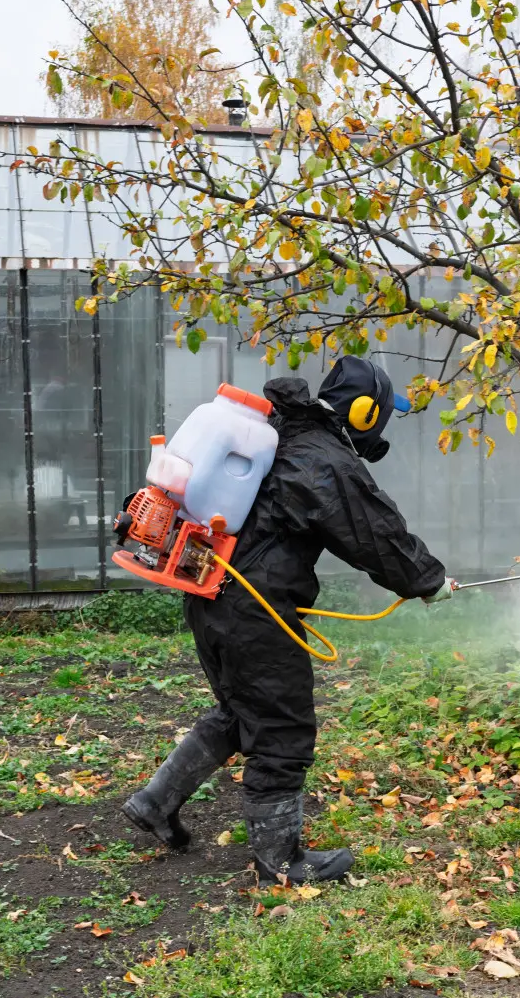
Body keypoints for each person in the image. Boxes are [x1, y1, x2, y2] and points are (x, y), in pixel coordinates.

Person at [122, 356, 454, 884]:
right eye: (382, 415)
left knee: (240, 711)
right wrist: (428, 580)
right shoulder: (322, 460)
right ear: (365, 414)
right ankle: (281, 862)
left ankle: (155, 802)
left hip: (211, 596)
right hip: (255, 611)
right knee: (281, 727)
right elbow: (376, 534)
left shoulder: (276, 436)